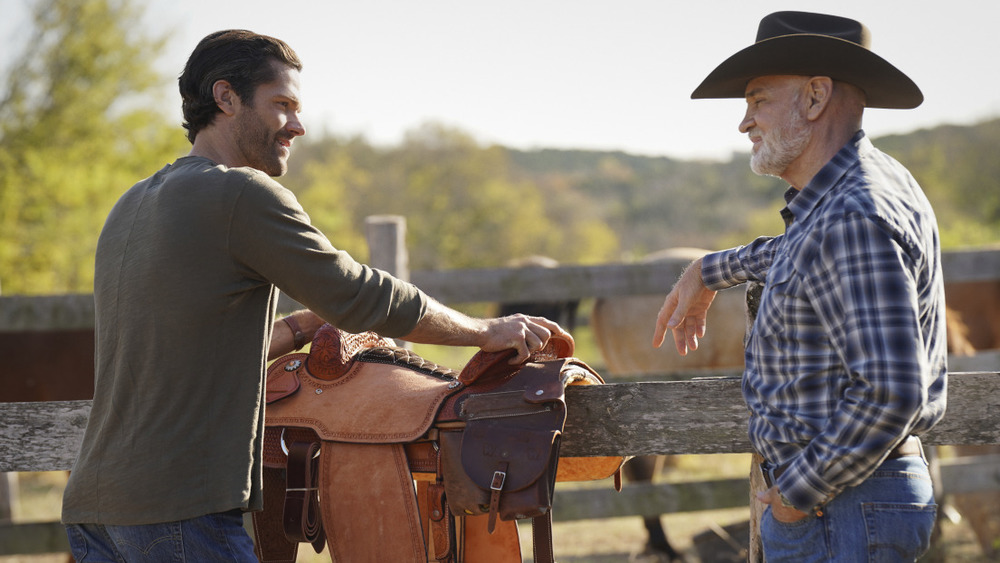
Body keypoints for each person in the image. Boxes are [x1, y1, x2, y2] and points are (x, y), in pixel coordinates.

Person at [61, 29, 570, 561]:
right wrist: (485, 331)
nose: (298, 126)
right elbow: (360, 294)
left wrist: (302, 326)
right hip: (180, 513)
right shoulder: (240, 193)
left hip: (96, 511)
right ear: (226, 97)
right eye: (282, 105)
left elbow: (178, 354)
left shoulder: (131, 206)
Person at [651, 11, 946, 562]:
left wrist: (793, 493)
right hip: (847, 506)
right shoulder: (860, 191)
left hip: (839, 510)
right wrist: (706, 270)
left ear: (814, 98)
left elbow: (892, 393)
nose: (745, 122)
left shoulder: (852, 216)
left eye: (758, 100)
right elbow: (797, 253)